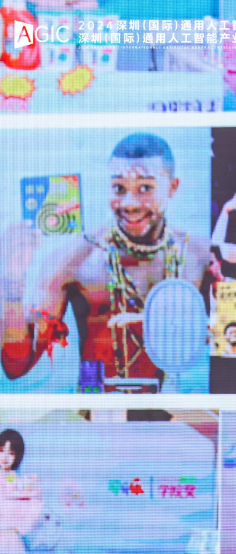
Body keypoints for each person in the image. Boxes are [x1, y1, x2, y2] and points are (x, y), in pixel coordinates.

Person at [0, 133, 210, 392]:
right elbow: (17, 365)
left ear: (172, 187)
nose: (130, 204)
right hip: (98, 413)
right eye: (119, 188)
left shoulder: (200, 256)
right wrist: (11, 281)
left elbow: (233, 340)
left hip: (176, 415)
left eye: (145, 188)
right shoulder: (72, 259)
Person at [0, 429, 42, 553]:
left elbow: (35, 509)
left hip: (12, 540)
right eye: (1, 451)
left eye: (11, 453)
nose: (5, 457)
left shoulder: (26, 483)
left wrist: (18, 527)